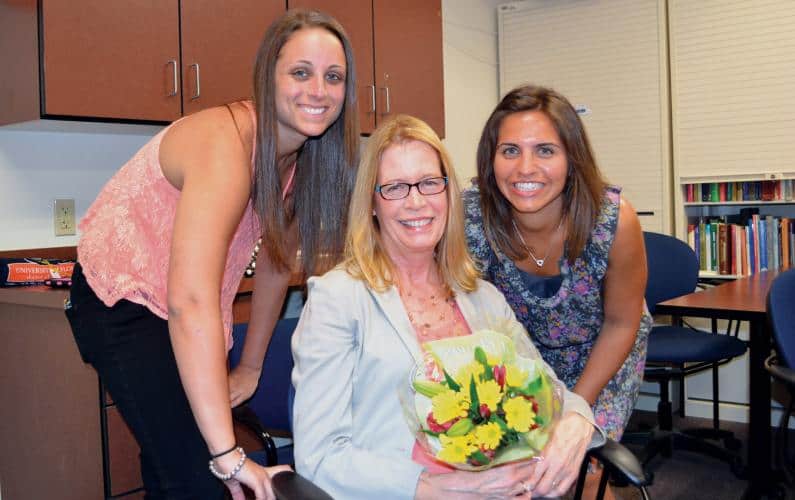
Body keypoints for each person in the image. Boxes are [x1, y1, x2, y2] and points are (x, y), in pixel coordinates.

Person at [64, 9, 359, 499]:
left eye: (334, 77)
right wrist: (227, 455)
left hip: (182, 305)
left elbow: (276, 262)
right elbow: (190, 301)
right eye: (301, 73)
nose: (319, 90)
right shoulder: (226, 141)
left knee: (173, 468)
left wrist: (251, 367)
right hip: (122, 300)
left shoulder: (299, 159)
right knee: (201, 475)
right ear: (269, 77)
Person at [291, 114, 605, 500]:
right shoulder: (339, 299)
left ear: (448, 194)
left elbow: (550, 391)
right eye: (394, 187)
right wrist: (430, 487)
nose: (416, 201)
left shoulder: (481, 296)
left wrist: (577, 419)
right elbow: (318, 457)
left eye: (429, 183)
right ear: (371, 202)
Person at [463, 85, 651, 498]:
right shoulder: (472, 217)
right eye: (509, 151)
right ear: (491, 159)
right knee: (516, 475)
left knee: (583, 468)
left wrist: (576, 408)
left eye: (545, 150)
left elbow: (622, 322)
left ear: (572, 159)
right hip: (524, 356)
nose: (525, 168)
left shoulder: (613, 221)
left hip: (604, 351)